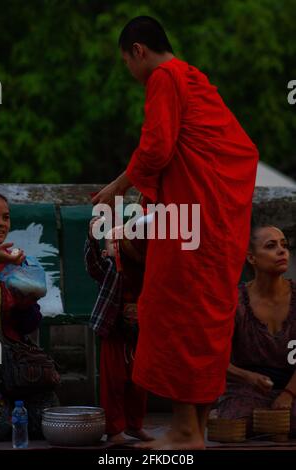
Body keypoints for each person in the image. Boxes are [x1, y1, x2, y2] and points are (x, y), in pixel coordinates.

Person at [92, 16, 259, 449]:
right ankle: (193, 430)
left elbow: (156, 147)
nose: (130, 72)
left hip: (191, 222)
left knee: (177, 312)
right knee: (205, 317)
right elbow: (240, 150)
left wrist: (115, 189)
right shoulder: (195, 78)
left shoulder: (166, 77)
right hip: (218, 223)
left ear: (138, 51)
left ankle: (186, 431)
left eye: (127, 61)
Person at [216, 225, 296, 435]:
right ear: (251, 258)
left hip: (293, 386)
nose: (282, 251)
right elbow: (214, 357)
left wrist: (288, 393)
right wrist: (247, 377)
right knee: (236, 422)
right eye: (271, 246)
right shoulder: (235, 301)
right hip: (248, 389)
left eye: (284, 245)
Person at [0, 192, 59, 439]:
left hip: (15, 361)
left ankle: (11, 404)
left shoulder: (20, 262)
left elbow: (29, 324)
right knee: (0, 429)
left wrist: (25, 304)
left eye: (6, 217)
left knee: (45, 422)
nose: (1, 222)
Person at [84, 215, 151, 443]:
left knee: (139, 383)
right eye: (113, 242)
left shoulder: (144, 269)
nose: (119, 244)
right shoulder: (107, 268)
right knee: (113, 382)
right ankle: (114, 429)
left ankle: (135, 425)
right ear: (105, 252)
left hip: (139, 335)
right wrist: (93, 239)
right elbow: (92, 263)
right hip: (113, 333)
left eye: (123, 240)